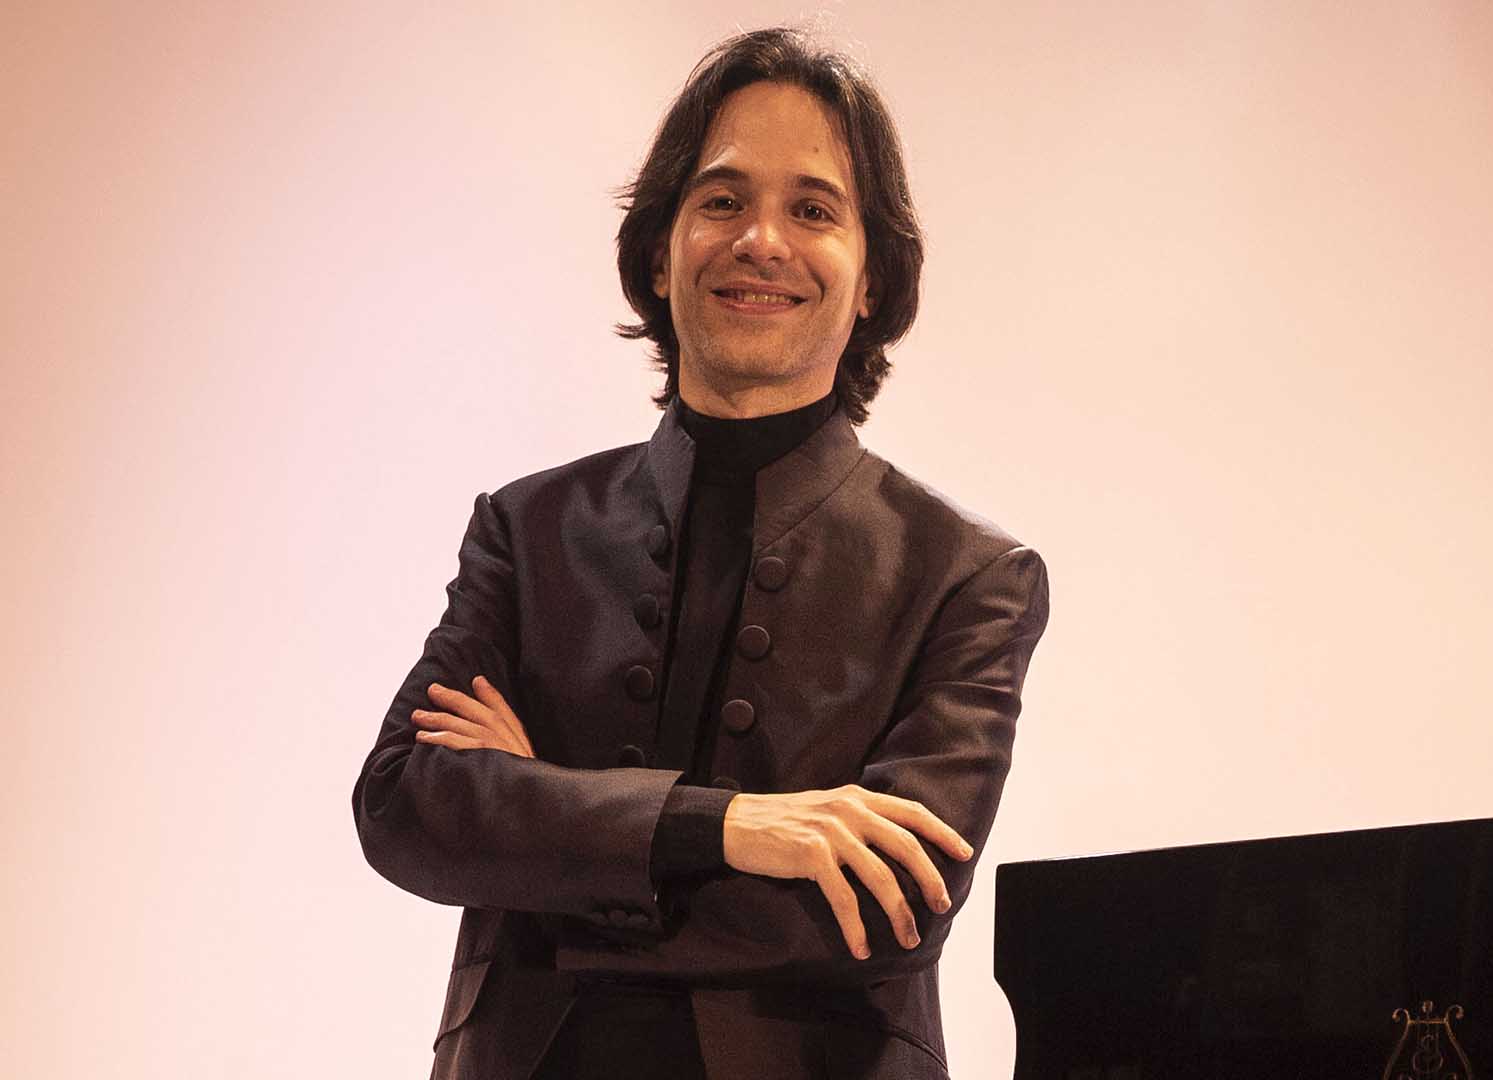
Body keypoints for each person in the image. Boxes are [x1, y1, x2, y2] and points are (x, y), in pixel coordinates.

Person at [351, 26, 1051, 1080]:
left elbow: (888, 907)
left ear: (872, 277)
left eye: (813, 210)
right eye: (722, 200)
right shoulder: (527, 529)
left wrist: (539, 823)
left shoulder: (970, 576)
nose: (761, 240)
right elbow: (405, 804)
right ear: (659, 251)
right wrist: (730, 829)